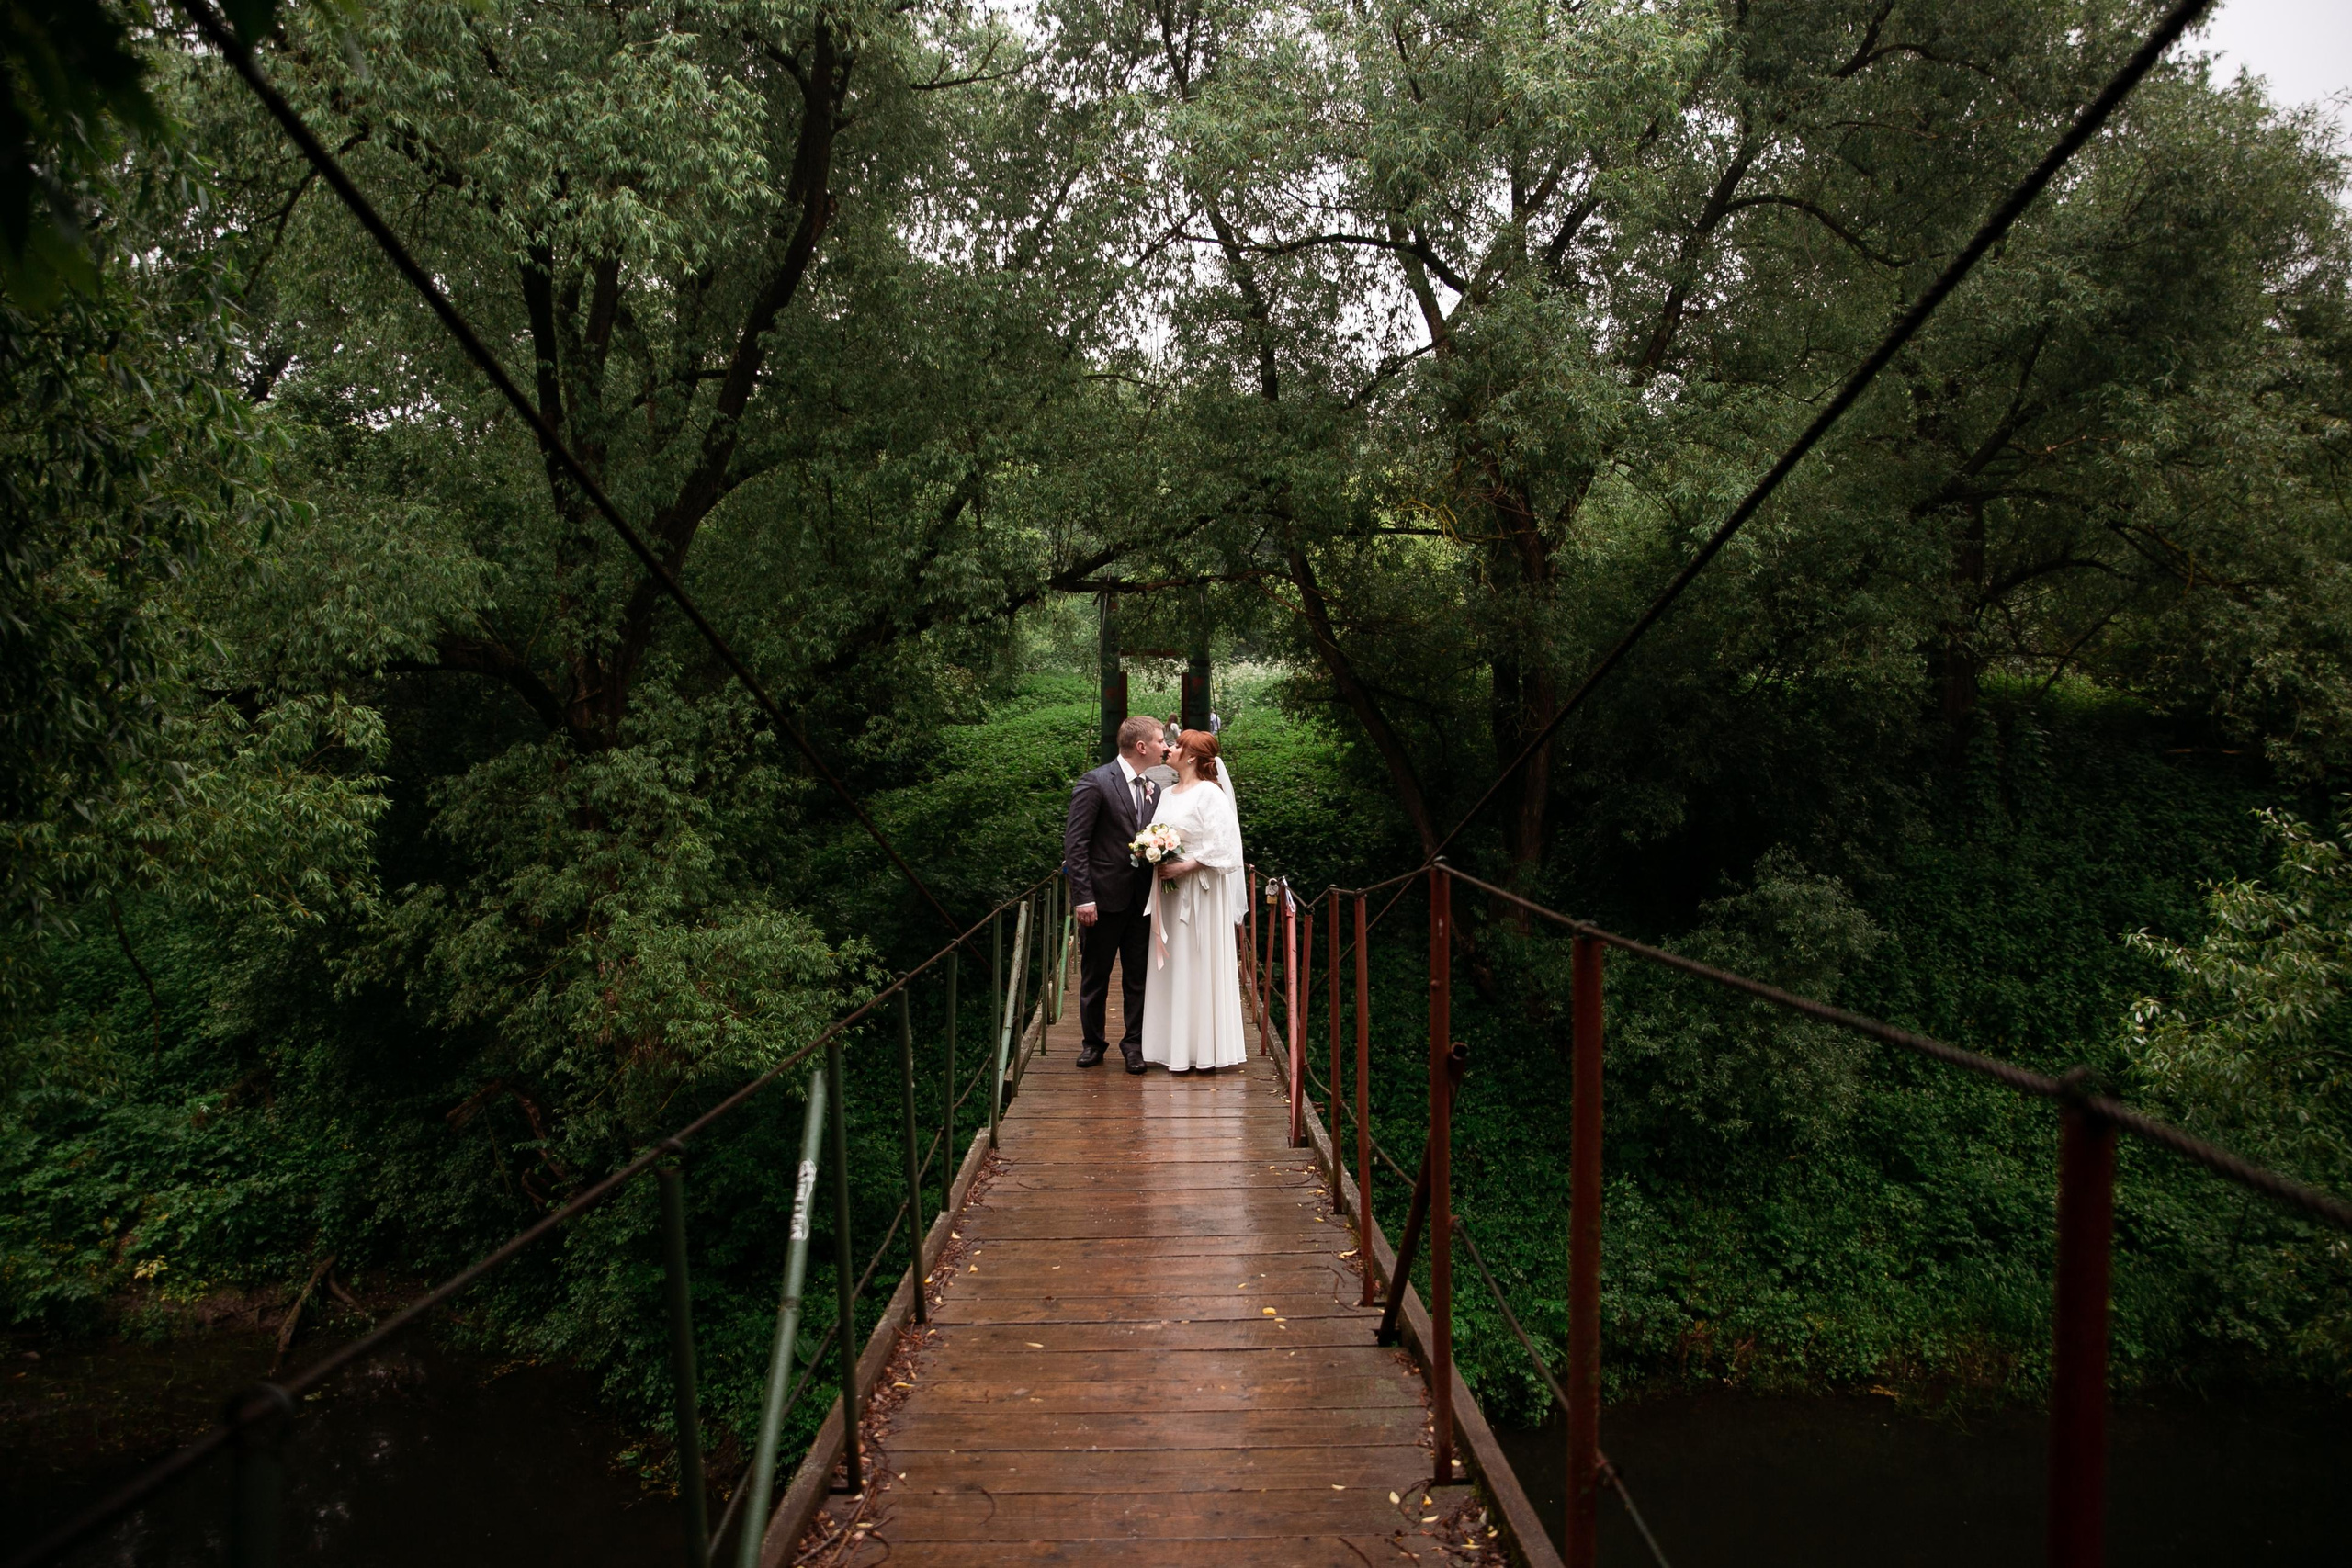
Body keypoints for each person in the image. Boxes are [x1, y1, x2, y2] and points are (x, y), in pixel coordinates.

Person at [1138, 729, 1249, 1074]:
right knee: (1172, 964)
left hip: (1200, 892)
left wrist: (1187, 865)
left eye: (1177, 745)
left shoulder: (1210, 794)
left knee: (1197, 960)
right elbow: (1156, 832)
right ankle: (1174, 1047)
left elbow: (1226, 848)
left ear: (1191, 757)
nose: (1169, 748)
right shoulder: (1167, 793)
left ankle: (1205, 1049)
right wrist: (1153, 851)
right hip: (1171, 894)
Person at [1063, 715, 1168, 1073]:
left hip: (1143, 900)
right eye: (1159, 740)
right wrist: (1083, 897)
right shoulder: (1095, 783)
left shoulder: (1153, 788)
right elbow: (1075, 845)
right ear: (1141, 747)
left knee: (1138, 976)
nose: (1164, 746)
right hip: (1103, 900)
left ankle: (1133, 1045)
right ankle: (1093, 1043)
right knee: (1096, 975)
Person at [1144, 716, 1179, 789]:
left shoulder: (1165, 725)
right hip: (1173, 743)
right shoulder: (1174, 725)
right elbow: (1178, 736)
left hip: (1167, 742)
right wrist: (1177, 745)